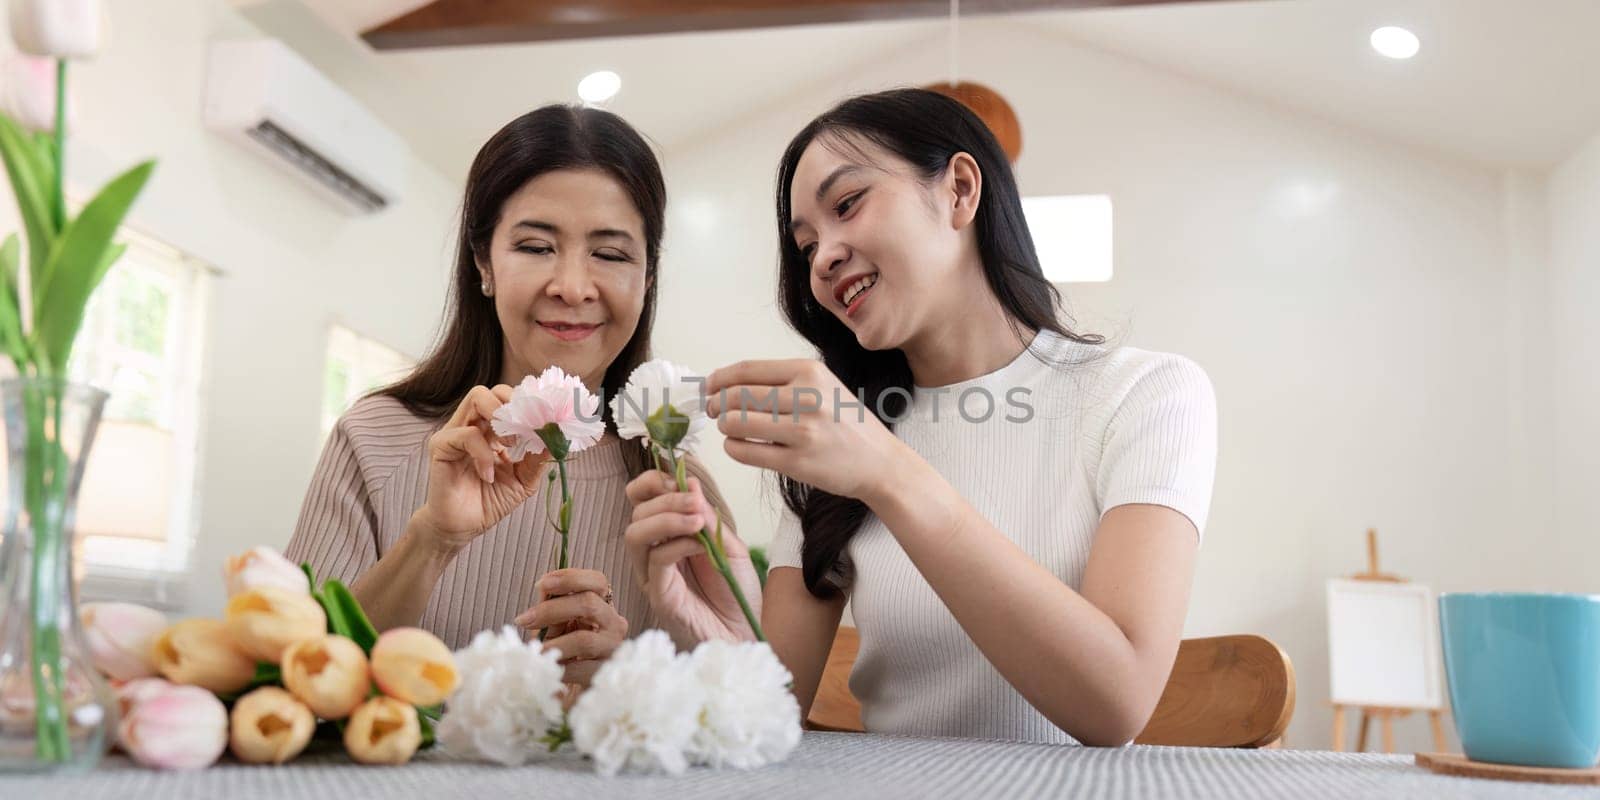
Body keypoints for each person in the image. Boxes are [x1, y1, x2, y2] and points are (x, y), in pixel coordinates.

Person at [625, 88, 1217, 744]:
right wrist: (721, 626)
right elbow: (767, 716)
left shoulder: (1146, 393)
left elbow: (1116, 703)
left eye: (847, 204)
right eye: (805, 245)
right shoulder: (836, 433)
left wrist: (886, 472)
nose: (822, 259)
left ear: (960, 189)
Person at [286, 105, 760, 687]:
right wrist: (433, 538)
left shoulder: (679, 492)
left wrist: (625, 685)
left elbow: (732, 709)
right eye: (536, 247)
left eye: (609, 255)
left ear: (647, 279)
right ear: (483, 262)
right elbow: (293, 674)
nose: (572, 287)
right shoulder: (375, 437)